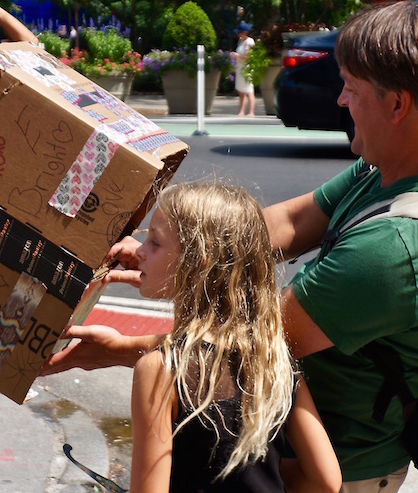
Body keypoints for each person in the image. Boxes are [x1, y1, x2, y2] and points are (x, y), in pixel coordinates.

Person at [43, 0, 418, 492]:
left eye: (351, 88)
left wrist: (125, 348)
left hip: (346, 465)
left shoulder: (395, 250)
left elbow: (243, 341)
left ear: (398, 104)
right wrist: (184, 251)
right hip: (303, 462)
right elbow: (290, 220)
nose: (341, 100)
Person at [126, 182, 341, 492]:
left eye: (154, 243)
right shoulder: (275, 363)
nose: (139, 252)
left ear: (197, 260)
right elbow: (327, 481)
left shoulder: (162, 371)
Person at [230, 21, 255, 117]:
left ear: (244, 32)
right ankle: (241, 111)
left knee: (249, 90)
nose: (238, 34)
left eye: (240, 32)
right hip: (240, 68)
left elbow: (247, 57)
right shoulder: (240, 41)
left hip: (247, 69)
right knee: (241, 91)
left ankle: (251, 112)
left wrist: (237, 56)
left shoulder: (250, 42)